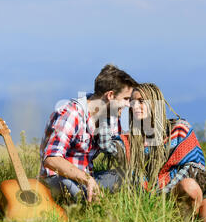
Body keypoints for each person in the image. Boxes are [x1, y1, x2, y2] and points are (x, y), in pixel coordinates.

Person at [98, 83, 206, 222]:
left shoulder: (178, 130)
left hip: (197, 194)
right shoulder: (130, 140)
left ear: (154, 103)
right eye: (132, 102)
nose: (135, 106)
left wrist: (160, 191)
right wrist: (106, 114)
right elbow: (106, 146)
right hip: (165, 202)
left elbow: (193, 169)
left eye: (141, 101)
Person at [39, 64, 139, 203]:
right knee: (85, 198)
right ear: (110, 95)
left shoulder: (112, 117)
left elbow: (120, 146)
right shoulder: (71, 114)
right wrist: (87, 179)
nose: (129, 104)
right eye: (126, 99)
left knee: (133, 178)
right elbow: (51, 159)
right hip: (57, 178)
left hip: (86, 178)